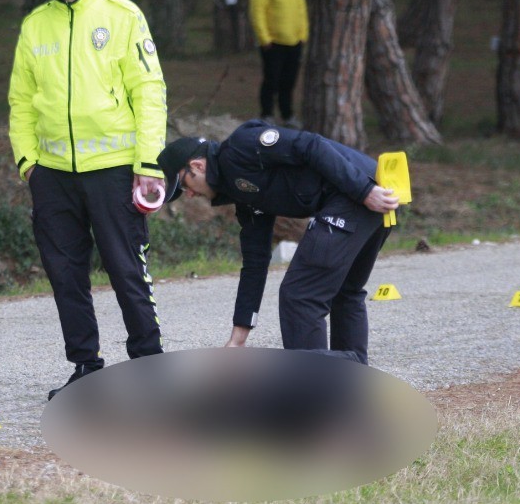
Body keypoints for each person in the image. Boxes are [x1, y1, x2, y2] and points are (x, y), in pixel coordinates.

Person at [8, 0, 169, 399]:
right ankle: (86, 370)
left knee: (126, 269)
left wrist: (148, 163)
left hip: (116, 170)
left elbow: (150, 91)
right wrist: (28, 164)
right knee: (65, 275)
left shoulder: (122, 15)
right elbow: (20, 100)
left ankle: (150, 369)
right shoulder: (36, 24)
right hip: (53, 177)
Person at [156, 121, 401, 365]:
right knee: (344, 292)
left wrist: (364, 191)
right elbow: (255, 262)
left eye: (184, 185)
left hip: (360, 193)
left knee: (300, 295)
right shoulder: (243, 196)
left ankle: (316, 390)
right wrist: (238, 339)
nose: (188, 194)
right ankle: (351, 381)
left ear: (196, 166)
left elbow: (310, 145)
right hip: (367, 194)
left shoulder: (241, 147)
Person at [248, 0, 308, 127]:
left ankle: (287, 115)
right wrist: (264, 38)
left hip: (294, 42)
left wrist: (303, 35)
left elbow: (301, 9)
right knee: (271, 80)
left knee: (289, 81)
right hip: (273, 44)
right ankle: (267, 114)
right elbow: (257, 13)